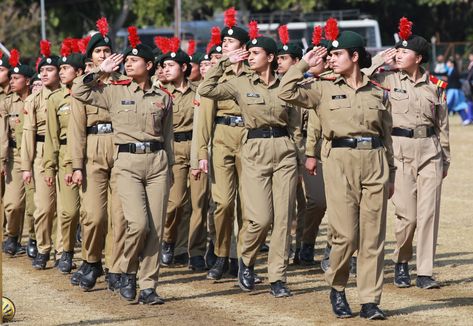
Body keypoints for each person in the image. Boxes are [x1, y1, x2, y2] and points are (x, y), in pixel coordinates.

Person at [278, 27, 395, 319]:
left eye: (337, 54)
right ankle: (338, 286)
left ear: (354, 56)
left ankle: (370, 300)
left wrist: (391, 172)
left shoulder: (378, 91)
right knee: (345, 235)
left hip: (375, 159)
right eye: (329, 54)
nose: (331, 59)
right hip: (340, 161)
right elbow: (285, 91)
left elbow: (387, 135)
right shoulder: (322, 87)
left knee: (373, 237)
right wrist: (304, 64)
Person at [199, 21, 303, 298]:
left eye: (256, 53)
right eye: (250, 52)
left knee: (283, 219)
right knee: (259, 218)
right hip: (254, 147)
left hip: (283, 150)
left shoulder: (284, 85)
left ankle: (277, 278)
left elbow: (295, 122)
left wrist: (296, 149)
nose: (250, 56)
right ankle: (245, 259)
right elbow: (206, 90)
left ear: (270, 58)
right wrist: (222, 61)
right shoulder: (239, 83)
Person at [72, 26, 173, 304]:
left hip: (157, 163)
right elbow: (79, 91)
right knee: (138, 224)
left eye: (134, 60)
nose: (127, 62)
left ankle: (149, 285)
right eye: (125, 59)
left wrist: (171, 171)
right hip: (126, 162)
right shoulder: (113, 91)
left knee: (155, 229)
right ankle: (126, 271)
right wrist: (100, 71)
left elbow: (168, 138)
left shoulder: (163, 97)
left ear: (149, 65)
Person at [369, 26, 450, 289]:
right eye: (398, 50)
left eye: (405, 51)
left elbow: (443, 125)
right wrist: (382, 59)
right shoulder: (388, 81)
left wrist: (445, 159)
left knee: (429, 214)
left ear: (419, 57)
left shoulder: (435, 87)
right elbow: (358, 76)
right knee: (408, 216)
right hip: (399, 152)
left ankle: (424, 271)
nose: (400, 54)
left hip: (430, 152)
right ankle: (401, 260)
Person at [68, 17, 126, 292]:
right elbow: (77, 130)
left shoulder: (123, 83)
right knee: (94, 215)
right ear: (90, 57)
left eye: (107, 51)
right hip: (93, 149)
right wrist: (76, 165)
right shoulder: (83, 85)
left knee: (119, 215)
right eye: (98, 52)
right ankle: (91, 261)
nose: (104, 55)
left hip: (120, 148)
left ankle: (116, 267)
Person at [196, 9, 251, 280]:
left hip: (250, 138)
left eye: (230, 43)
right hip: (222, 138)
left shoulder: (254, 72)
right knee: (223, 203)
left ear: (243, 47)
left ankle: (244, 259)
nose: (224, 46)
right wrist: (201, 152)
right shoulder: (217, 73)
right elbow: (205, 112)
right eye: (223, 43)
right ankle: (220, 255)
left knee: (248, 206)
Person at [159, 39, 209, 271]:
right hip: (173, 149)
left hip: (196, 147)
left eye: (170, 65)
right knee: (175, 202)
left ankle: (194, 251)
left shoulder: (199, 91)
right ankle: (168, 240)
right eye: (164, 66)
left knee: (198, 203)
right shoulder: (161, 93)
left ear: (184, 67)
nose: (165, 69)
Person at [43, 40, 84, 274]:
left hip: (91, 157)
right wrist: (49, 168)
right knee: (68, 211)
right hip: (67, 159)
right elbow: (51, 137)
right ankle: (66, 251)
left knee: (92, 214)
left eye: (66, 69)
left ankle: (93, 257)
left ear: (78, 72)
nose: (61, 72)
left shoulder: (91, 95)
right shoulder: (56, 99)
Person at [21, 40, 62, 270]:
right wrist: (26, 166)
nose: (44, 74)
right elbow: (28, 134)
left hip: (63, 152)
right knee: (44, 206)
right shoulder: (33, 99)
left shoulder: (69, 95)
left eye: (50, 70)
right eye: (42, 71)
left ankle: (62, 250)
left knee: (65, 208)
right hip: (41, 151)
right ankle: (44, 247)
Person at [275, 25, 306, 265]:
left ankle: (303, 246)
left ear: (297, 61)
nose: (279, 63)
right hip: (283, 147)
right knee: (284, 207)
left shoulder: (308, 88)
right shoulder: (276, 87)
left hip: (306, 148)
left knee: (307, 203)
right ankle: (282, 252)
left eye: (284, 58)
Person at [0, 50, 35, 257]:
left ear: (27, 80)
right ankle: (12, 236)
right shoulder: (6, 102)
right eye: (10, 78)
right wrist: (3, 159)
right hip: (15, 155)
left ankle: (34, 238)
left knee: (34, 203)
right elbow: (3, 133)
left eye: (16, 78)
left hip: (36, 154)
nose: (12, 82)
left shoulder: (37, 99)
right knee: (13, 204)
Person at [445, 57, 471, 125]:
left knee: (446, 105)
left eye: (448, 62)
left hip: (454, 91)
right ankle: (466, 119)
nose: (447, 64)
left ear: (452, 63)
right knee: (458, 105)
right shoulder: (450, 70)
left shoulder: (454, 71)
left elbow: (454, 82)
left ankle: (440, 121)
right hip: (452, 90)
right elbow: (443, 75)